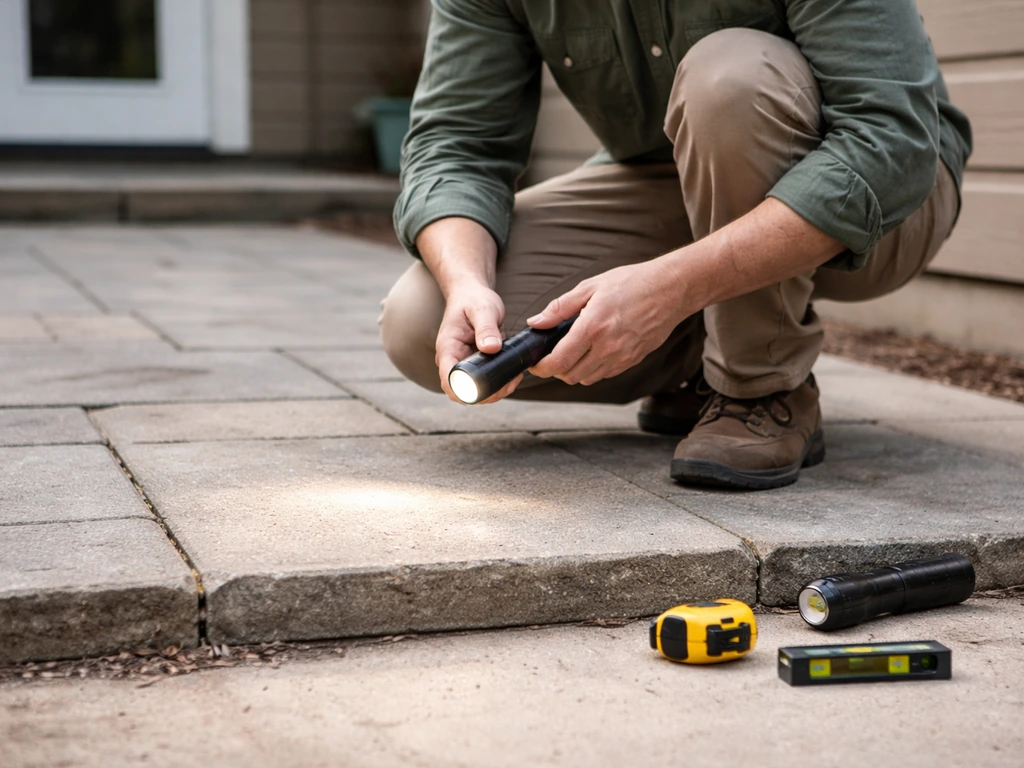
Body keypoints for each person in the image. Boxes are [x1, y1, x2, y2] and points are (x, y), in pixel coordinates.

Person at [379, 0, 972, 490]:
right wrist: (466, 283)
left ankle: (758, 384)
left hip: (890, 194)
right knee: (419, 323)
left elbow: (889, 143)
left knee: (731, 76)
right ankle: (701, 356)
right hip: (667, 180)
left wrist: (671, 287)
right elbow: (456, 144)